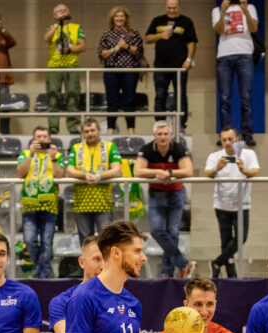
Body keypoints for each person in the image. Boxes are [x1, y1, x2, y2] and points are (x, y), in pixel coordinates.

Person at [135, 121, 193, 278]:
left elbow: (188, 171)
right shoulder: (146, 149)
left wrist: (169, 173)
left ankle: (166, 274)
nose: (162, 137)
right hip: (156, 194)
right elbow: (137, 171)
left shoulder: (179, 148)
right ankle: (183, 263)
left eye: (166, 134)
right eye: (159, 134)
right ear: (154, 136)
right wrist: (158, 173)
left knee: (173, 233)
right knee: (156, 230)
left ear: (171, 135)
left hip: (176, 194)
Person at [204, 126, 259, 278]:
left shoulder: (248, 154)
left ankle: (216, 262)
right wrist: (217, 167)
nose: (228, 143)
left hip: (242, 204)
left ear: (237, 139)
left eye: (230, 139)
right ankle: (231, 274)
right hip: (222, 204)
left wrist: (243, 170)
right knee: (225, 240)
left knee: (242, 238)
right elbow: (207, 173)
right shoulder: (215, 156)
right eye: (224, 140)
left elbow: (255, 172)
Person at [17, 127, 66, 279]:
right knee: (29, 241)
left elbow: (60, 175)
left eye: (45, 136)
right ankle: (42, 270)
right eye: (39, 136)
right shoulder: (25, 154)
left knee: (46, 243)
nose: (42, 139)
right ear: (33, 139)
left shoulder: (57, 155)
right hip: (29, 206)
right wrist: (30, 155)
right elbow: (20, 173)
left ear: (49, 139)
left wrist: (53, 158)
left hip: (50, 205)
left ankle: (42, 276)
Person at [67, 118, 123, 241]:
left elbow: (117, 170)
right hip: (81, 204)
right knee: (86, 241)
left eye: (92, 130)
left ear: (99, 131)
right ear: (83, 133)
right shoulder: (76, 148)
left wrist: (98, 177)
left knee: (106, 241)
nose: (90, 134)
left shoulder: (110, 147)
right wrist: (84, 176)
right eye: (86, 131)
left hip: (104, 204)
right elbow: (70, 170)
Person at [213, 0, 259, 147]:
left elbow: (253, 29)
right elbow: (219, 30)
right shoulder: (217, 10)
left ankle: (247, 134)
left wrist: (245, 11)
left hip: (244, 55)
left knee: (246, 97)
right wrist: (223, 12)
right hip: (224, 56)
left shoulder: (250, 7)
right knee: (225, 97)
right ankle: (226, 135)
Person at [146, 0, 197, 131]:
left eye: (174, 8)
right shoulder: (157, 20)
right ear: (165, 7)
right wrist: (160, 35)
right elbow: (147, 39)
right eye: (169, 8)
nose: (172, 10)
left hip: (180, 67)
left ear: (178, 7)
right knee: (160, 95)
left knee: (181, 95)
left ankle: (181, 126)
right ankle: (160, 125)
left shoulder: (186, 21)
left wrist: (189, 59)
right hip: (161, 66)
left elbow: (192, 42)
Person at [98, 6, 144, 135]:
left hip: (129, 71)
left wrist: (126, 46)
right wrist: (115, 48)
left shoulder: (133, 33)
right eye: (117, 16)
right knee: (112, 101)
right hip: (111, 71)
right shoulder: (107, 34)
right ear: (113, 18)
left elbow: (138, 51)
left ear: (126, 18)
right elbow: (102, 54)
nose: (119, 18)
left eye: (122, 16)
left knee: (129, 100)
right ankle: (110, 131)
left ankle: (131, 130)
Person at [44, 4, 86, 136]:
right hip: (54, 66)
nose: (61, 12)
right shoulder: (51, 28)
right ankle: (53, 127)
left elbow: (82, 46)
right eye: (58, 11)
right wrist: (57, 25)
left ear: (68, 13)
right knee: (52, 96)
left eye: (64, 11)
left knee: (73, 95)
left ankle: (73, 127)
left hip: (71, 65)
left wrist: (70, 49)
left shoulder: (76, 27)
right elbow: (46, 38)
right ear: (54, 15)